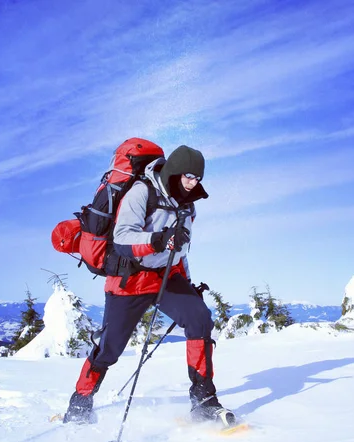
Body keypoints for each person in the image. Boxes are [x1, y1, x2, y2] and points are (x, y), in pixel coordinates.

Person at [63, 145, 234, 426]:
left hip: (165, 278)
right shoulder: (142, 192)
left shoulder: (188, 205)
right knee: (110, 348)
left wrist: (188, 285)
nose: (193, 183)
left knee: (199, 318)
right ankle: (80, 402)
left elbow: (180, 251)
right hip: (128, 280)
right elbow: (122, 238)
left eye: (198, 179)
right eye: (189, 176)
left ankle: (204, 399)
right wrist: (159, 240)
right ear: (175, 171)